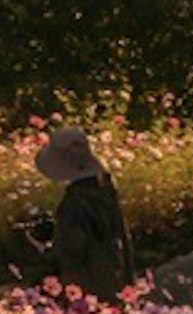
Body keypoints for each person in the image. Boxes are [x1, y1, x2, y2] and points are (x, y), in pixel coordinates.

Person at [27, 122, 134, 292]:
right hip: (117, 276)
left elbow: (70, 253)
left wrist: (41, 245)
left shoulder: (73, 204)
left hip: (87, 288)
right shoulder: (106, 190)